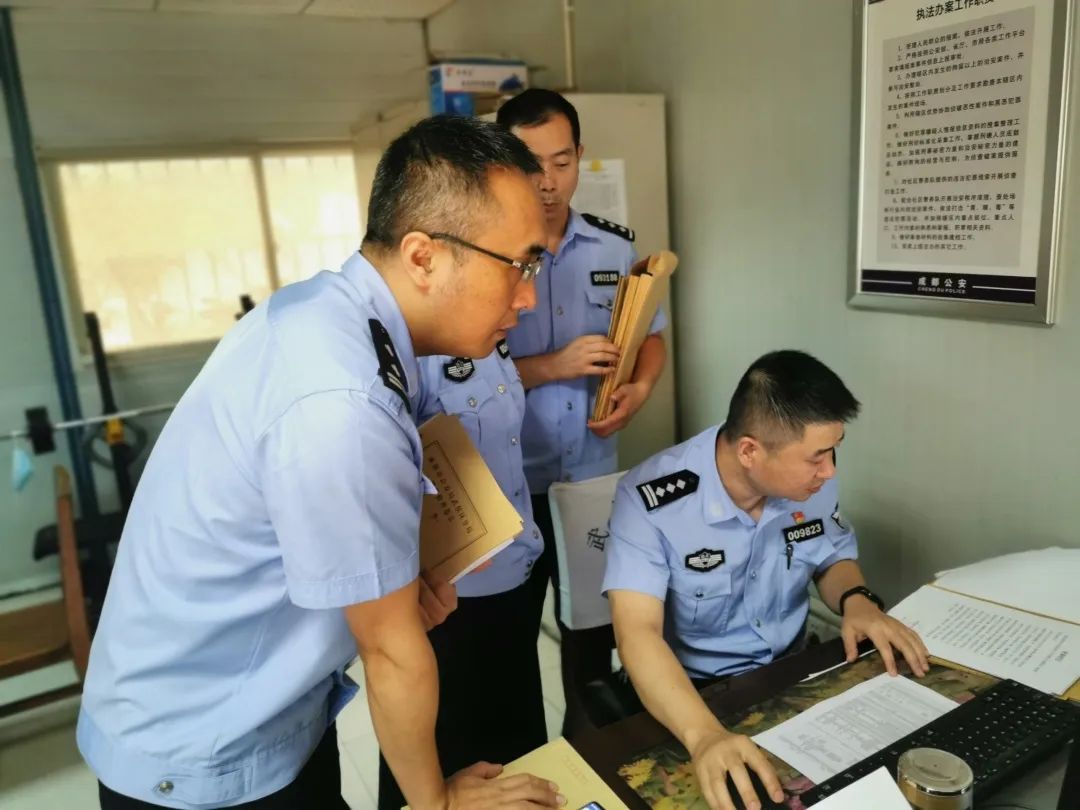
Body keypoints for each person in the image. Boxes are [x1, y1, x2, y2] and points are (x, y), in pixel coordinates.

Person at [77, 115, 565, 810]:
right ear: (423, 256)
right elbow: (390, 651)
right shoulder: (341, 398)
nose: (529, 295)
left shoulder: (329, 313)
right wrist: (438, 803)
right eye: (519, 264)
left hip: (266, 711)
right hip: (205, 752)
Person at [602, 350, 930, 810]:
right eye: (817, 457)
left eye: (833, 450)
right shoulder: (651, 501)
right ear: (750, 451)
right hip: (695, 694)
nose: (830, 471)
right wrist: (705, 736)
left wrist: (857, 599)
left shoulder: (810, 482)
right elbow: (637, 633)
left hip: (791, 673)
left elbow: (831, 555)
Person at [497, 88, 668, 738]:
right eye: (530, 163)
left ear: (580, 157)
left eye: (562, 162)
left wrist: (640, 389)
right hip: (507, 490)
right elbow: (454, 375)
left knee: (592, 641)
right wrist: (552, 366)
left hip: (591, 481)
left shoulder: (611, 248)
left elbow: (650, 336)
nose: (548, 181)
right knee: (507, 646)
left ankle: (588, 762)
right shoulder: (487, 250)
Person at [376, 337, 549, 808]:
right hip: (449, 601)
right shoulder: (406, 355)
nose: (525, 303)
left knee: (516, 759)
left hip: (513, 578)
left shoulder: (491, 339)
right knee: (446, 759)